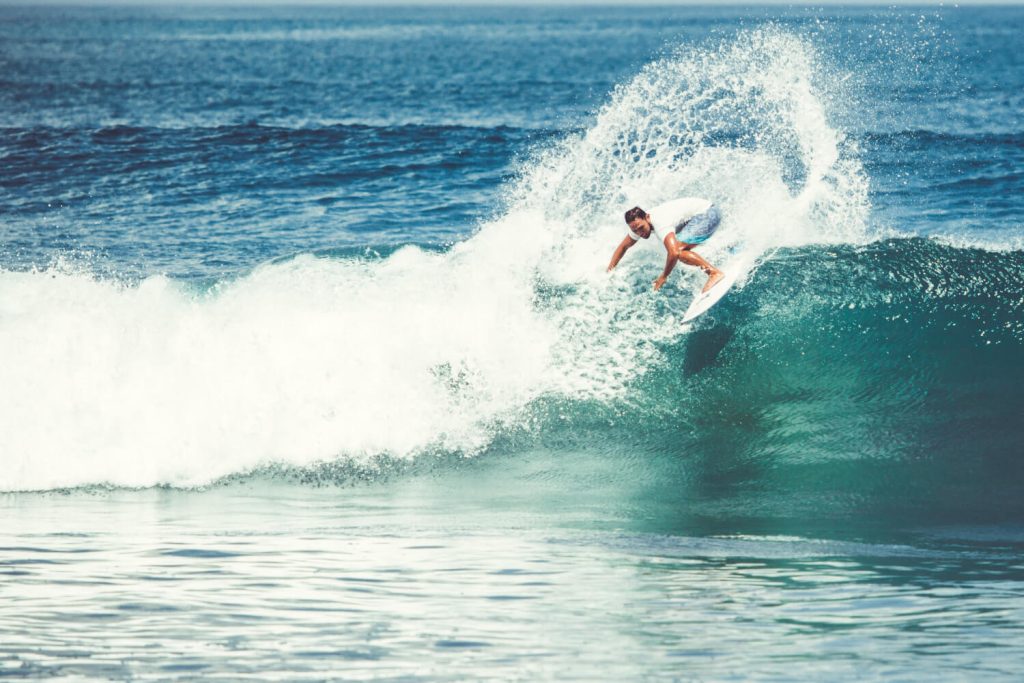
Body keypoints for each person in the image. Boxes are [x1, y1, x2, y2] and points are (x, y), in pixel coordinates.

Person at [606, 197, 724, 293]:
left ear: (647, 217)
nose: (640, 233)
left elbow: (673, 253)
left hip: (708, 214)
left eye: (641, 228)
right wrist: (610, 270)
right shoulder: (637, 225)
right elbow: (623, 247)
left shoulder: (660, 223)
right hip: (701, 215)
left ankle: (714, 273)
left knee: (679, 252)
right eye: (635, 230)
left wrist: (663, 277)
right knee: (680, 247)